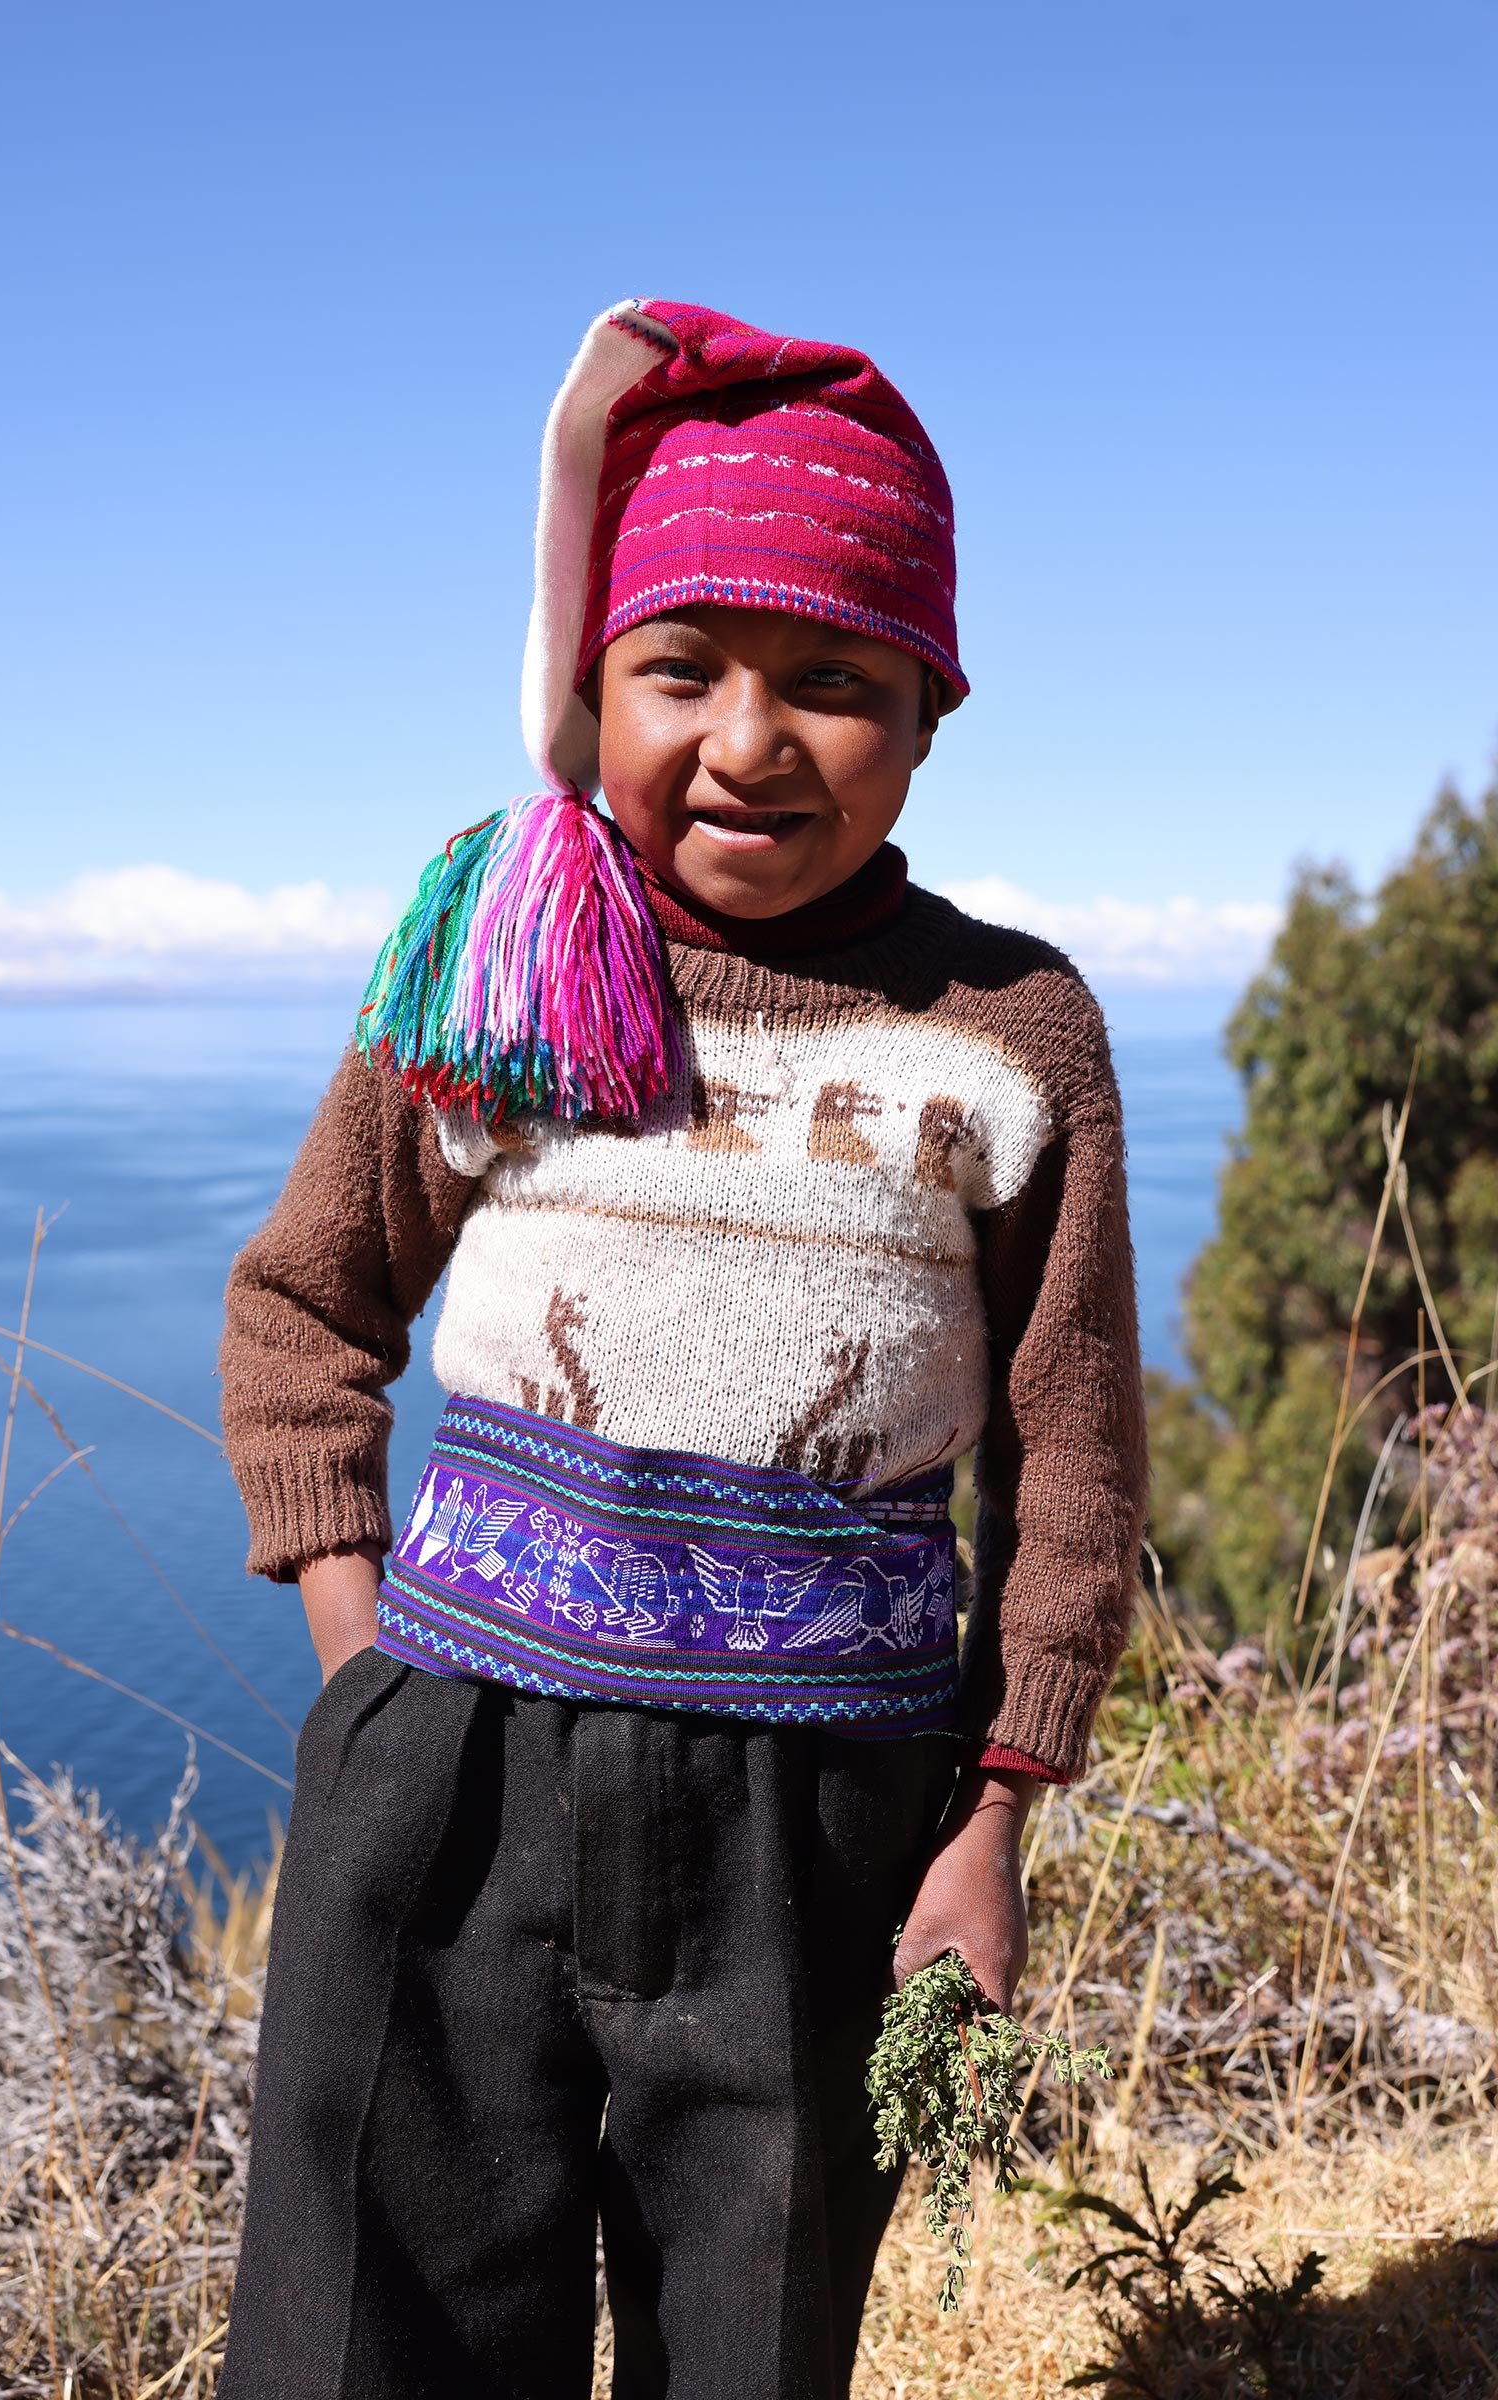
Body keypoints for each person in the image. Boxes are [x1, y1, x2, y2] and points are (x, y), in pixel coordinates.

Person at [214, 298, 1148, 2400]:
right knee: (377, 2337)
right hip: (450, 1772)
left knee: (751, 2342)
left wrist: (994, 1813)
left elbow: (1069, 1450)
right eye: (680, 672)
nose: (749, 740)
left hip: (824, 1822)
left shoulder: (1011, 1030)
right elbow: (303, 1304)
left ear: (926, 721)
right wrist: (368, 1673)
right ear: (587, 689)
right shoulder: (507, 954)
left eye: (835, 683)